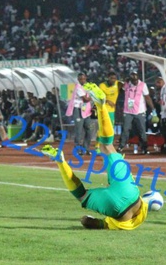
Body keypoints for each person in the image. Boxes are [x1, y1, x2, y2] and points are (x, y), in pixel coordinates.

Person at [40, 83, 149, 230]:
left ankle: (100, 105)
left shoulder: (143, 213)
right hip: (116, 210)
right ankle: (60, 161)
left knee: (107, 146)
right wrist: (88, 221)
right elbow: (91, 222)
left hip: (132, 193)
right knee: (82, 196)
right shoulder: (113, 225)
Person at [118, 70, 156, 155]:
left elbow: (147, 97)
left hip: (140, 111)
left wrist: (153, 109)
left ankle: (144, 148)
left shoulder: (143, 85)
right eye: (133, 80)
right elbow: (119, 87)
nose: (135, 82)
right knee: (125, 129)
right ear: (130, 79)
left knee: (141, 130)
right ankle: (121, 146)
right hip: (128, 111)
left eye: (136, 80)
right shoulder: (126, 84)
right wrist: (124, 81)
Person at [65, 72, 93, 154]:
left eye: (83, 79)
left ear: (86, 78)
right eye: (80, 79)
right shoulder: (78, 87)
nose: (82, 80)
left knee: (89, 130)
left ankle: (86, 148)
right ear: (78, 79)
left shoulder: (88, 86)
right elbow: (85, 99)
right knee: (79, 131)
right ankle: (78, 149)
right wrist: (93, 96)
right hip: (78, 109)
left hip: (86, 110)